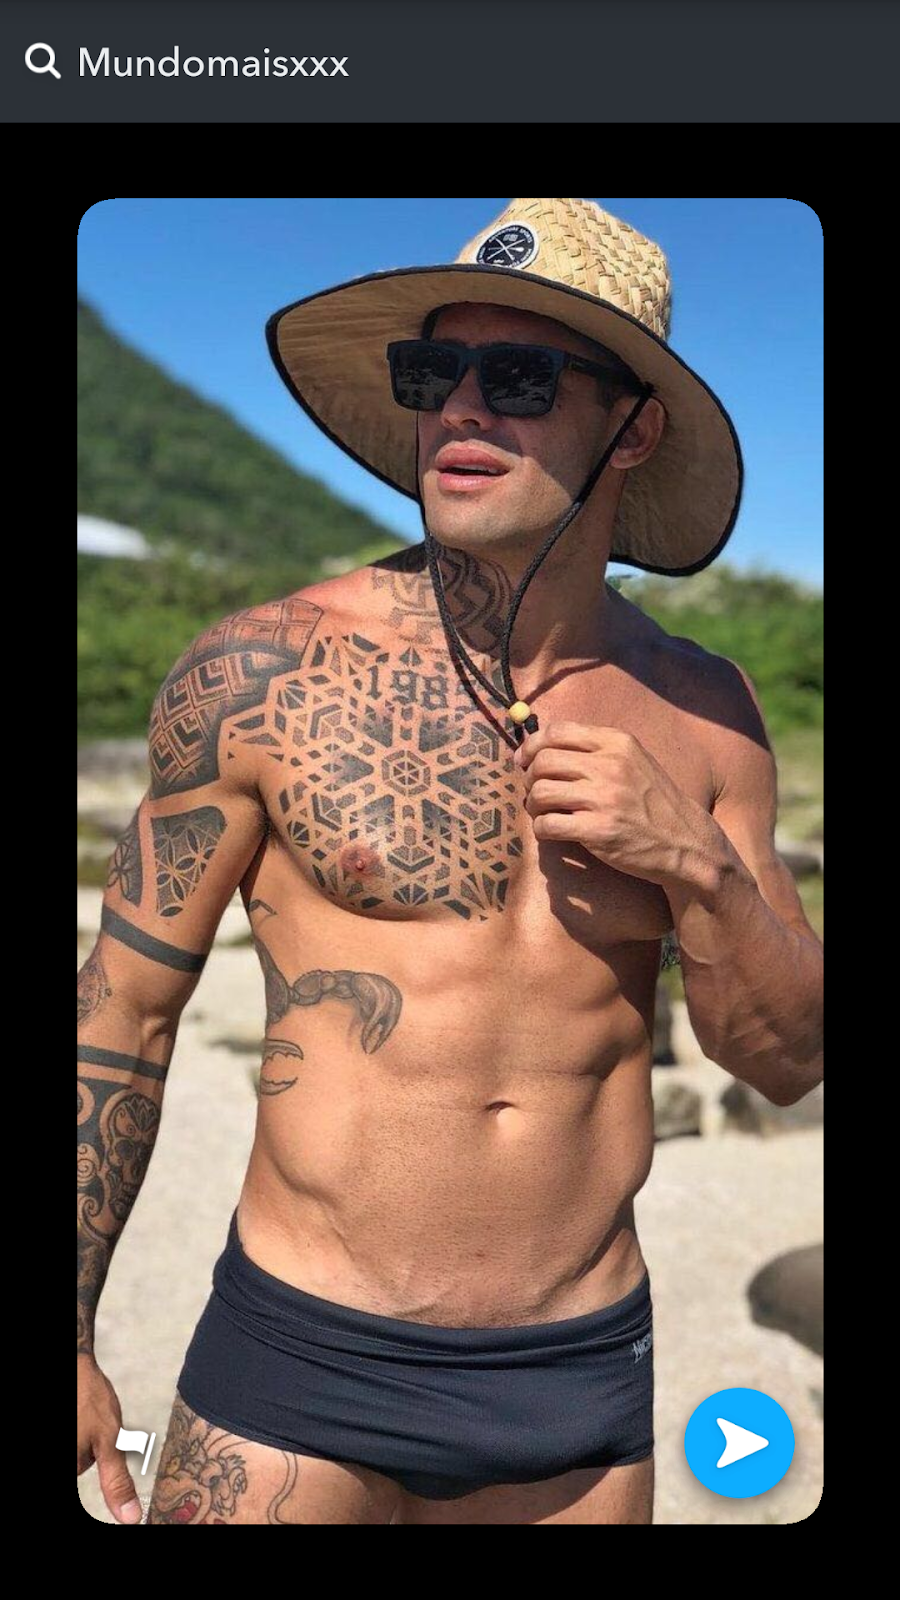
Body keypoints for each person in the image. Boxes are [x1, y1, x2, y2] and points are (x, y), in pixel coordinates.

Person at [77, 197, 823, 1526]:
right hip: (300, 1354)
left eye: (520, 377)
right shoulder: (263, 675)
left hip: (577, 1377)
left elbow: (785, 1060)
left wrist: (697, 869)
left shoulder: (706, 714)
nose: (462, 408)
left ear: (632, 429)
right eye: (434, 372)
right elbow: (120, 1014)